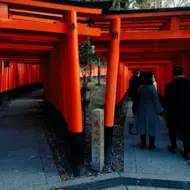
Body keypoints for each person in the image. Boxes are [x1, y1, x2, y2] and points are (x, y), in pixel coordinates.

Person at [131, 72, 163, 150]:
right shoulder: (151, 87)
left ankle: (143, 143)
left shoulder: (140, 88)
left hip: (141, 109)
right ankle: (152, 144)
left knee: (142, 126)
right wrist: (160, 110)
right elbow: (156, 100)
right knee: (152, 126)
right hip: (151, 110)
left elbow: (136, 100)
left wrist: (135, 109)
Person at [164, 67, 190, 159]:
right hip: (187, 112)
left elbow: (166, 100)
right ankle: (187, 151)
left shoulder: (170, 86)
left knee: (172, 129)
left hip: (173, 112)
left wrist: (166, 110)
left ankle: (174, 146)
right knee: (186, 131)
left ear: (173, 74)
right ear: (183, 72)